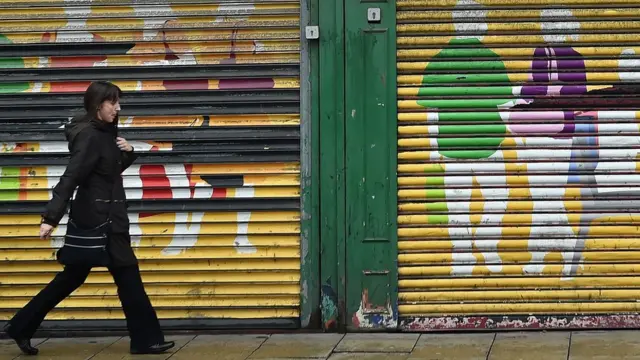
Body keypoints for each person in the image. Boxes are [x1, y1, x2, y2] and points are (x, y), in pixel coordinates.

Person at [2, 81, 175, 356]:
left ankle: (20, 326)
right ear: (98, 106)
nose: (118, 108)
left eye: (119, 102)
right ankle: (145, 339)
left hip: (104, 216)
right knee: (128, 277)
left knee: (72, 277)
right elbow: (72, 176)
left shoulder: (106, 133)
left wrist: (129, 153)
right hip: (101, 221)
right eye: (113, 102)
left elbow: (107, 170)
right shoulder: (90, 137)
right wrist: (51, 217)